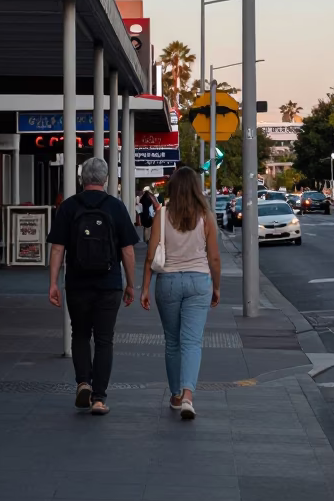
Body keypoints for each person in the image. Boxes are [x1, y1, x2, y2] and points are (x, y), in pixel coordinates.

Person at [47, 156, 139, 415]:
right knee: (104, 340)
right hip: (109, 284)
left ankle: (83, 383)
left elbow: (57, 248)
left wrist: (53, 282)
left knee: (80, 335)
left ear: (82, 179)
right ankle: (99, 398)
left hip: (77, 283)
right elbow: (128, 251)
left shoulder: (68, 207)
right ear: (106, 179)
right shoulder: (116, 207)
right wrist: (131, 284)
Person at [141, 166, 221, 420]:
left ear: (173, 188)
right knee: (192, 342)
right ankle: (188, 395)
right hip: (199, 282)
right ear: (196, 189)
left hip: (168, 282)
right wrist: (216, 287)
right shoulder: (205, 216)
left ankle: (175, 394)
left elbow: (151, 255)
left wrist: (144, 287)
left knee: (172, 341)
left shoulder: (162, 215)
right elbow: (215, 258)